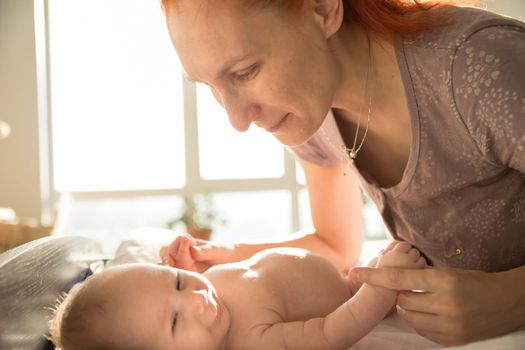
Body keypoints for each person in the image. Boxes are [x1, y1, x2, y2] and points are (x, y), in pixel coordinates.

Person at [159, 0, 525, 346]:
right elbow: (336, 244)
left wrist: (512, 299)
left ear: (322, 8)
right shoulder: (312, 112)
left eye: (245, 71)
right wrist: (227, 255)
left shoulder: (479, 70)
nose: (237, 119)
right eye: (210, 86)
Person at [50, 239, 426, 350]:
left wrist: (192, 268)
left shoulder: (208, 293)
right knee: (397, 266)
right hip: (349, 296)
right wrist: (379, 291)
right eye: (175, 321)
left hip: (343, 273)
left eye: (176, 282)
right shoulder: (251, 339)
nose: (195, 297)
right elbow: (330, 333)